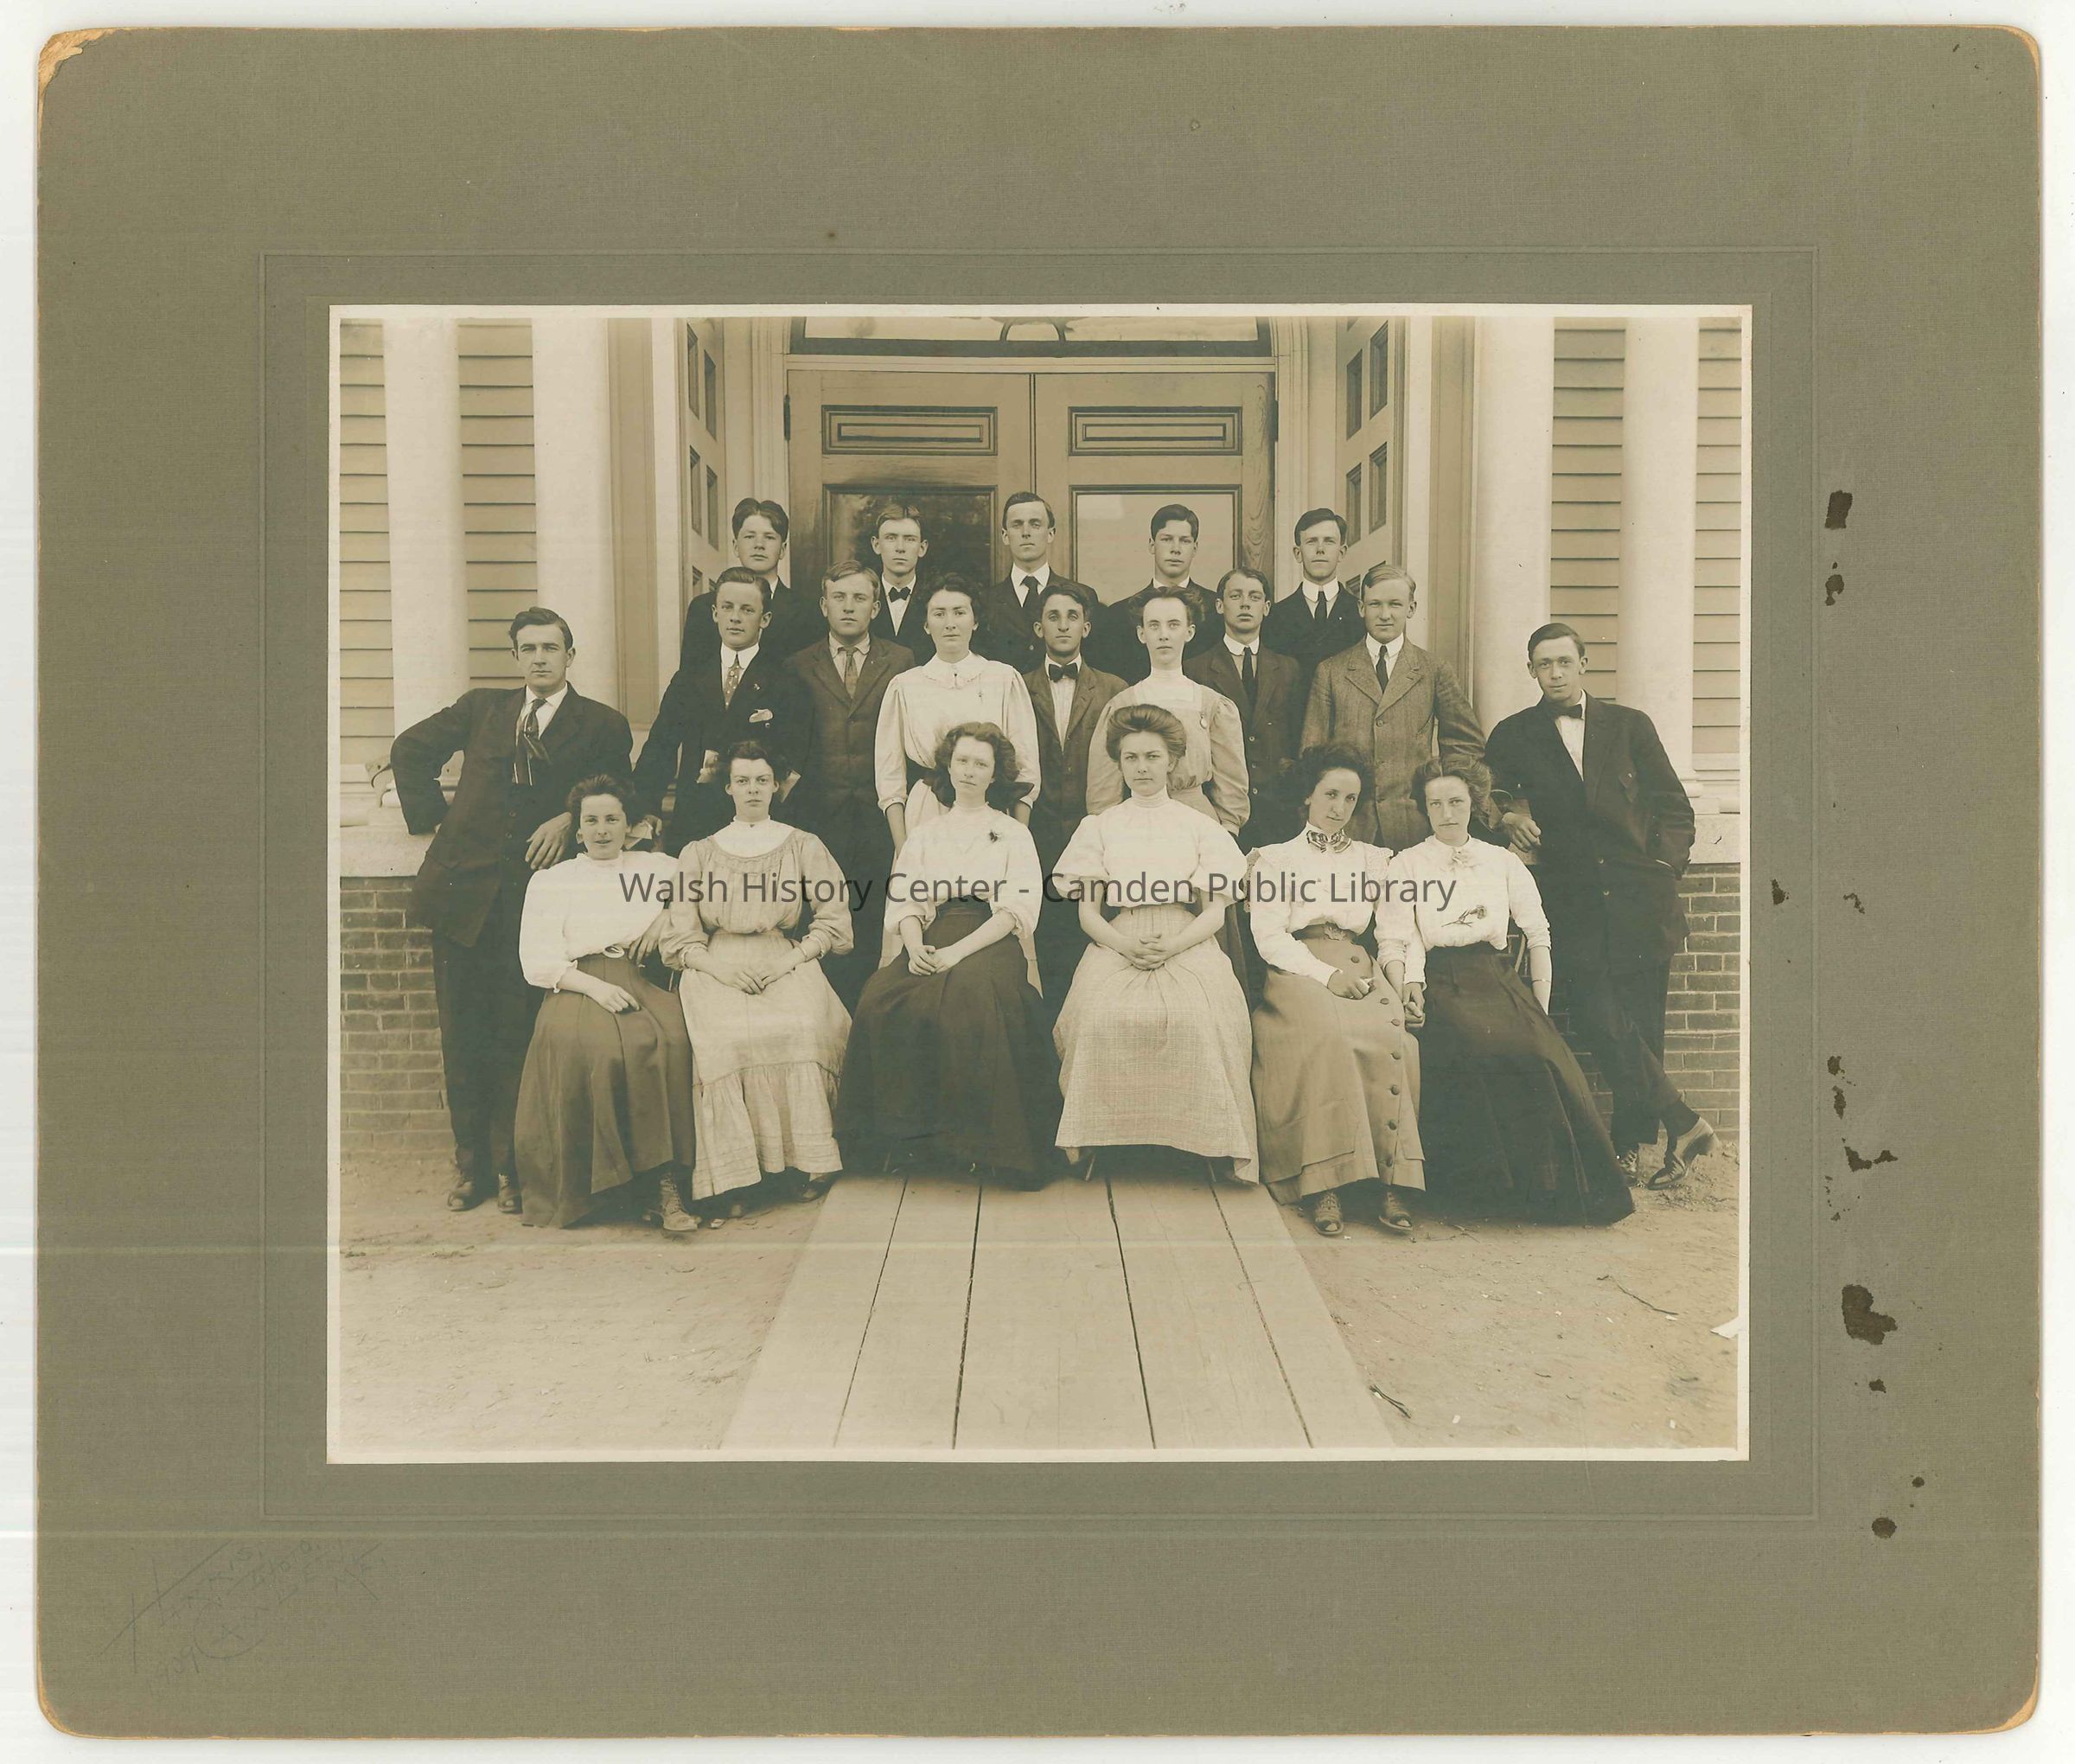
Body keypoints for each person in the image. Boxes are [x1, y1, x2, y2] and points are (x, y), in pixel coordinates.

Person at [391, 607, 633, 1214]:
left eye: (551, 648)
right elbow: (409, 749)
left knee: (514, 1036)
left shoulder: (601, 724)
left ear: (570, 656)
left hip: (531, 904)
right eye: (528, 648)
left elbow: (617, 793)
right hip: (461, 897)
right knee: (462, 1036)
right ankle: (470, 1167)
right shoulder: (483, 709)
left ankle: (510, 1169)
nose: (540, 658)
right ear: (516, 656)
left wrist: (569, 817)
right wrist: (440, 823)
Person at [1484, 621, 1714, 1185]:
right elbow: (1483, 797)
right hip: (1575, 901)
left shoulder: (1631, 726)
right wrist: (1507, 815)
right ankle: (1684, 1122)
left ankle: (1631, 1147)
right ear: (1531, 671)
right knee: (1596, 1016)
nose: (1555, 673)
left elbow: (1674, 807)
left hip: (1641, 897)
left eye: (1564, 661)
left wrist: (1665, 870)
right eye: (1544, 664)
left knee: (1642, 1024)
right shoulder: (1514, 734)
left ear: (1584, 664)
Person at [1391, 758, 1633, 1227]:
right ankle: (1484, 1194)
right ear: (1424, 808)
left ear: (1474, 803)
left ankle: (1546, 1191)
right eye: (1435, 804)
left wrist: (1539, 1006)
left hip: (1497, 977)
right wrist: (1410, 984)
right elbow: (1402, 937)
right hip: (1443, 979)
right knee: (1477, 1047)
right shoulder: (1407, 865)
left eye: (1456, 801)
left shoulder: (1501, 861)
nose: (1446, 813)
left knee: (1540, 1053)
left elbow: (1538, 932)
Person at [836, 724, 1061, 1186]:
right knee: (882, 997)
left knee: (971, 997)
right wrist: (914, 946)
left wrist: (956, 953)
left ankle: (981, 1146)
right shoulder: (925, 833)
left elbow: (1016, 910)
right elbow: (906, 900)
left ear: (995, 774)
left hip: (990, 939)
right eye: (962, 761)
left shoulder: (1012, 833)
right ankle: (906, 1140)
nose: (969, 771)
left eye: (981, 764)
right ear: (948, 766)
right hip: (932, 933)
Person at [1051, 706, 1258, 1183]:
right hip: (1118, 939)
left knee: (1201, 1019)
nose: (1141, 768)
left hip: (1186, 938)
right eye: (1131, 758)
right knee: (1097, 1017)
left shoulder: (1198, 825)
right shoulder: (1100, 827)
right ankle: (1097, 1136)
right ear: (1119, 763)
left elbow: (1213, 912)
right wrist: (1124, 946)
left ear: (1172, 761)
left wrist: (1173, 945)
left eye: (1152, 757)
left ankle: (1210, 1140)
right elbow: (1088, 915)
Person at [659, 742, 853, 1215]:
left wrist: (787, 962)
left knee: (804, 1027)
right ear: (727, 787)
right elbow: (681, 936)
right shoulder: (699, 853)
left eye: (762, 780)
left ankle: (806, 1162)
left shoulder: (803, 845)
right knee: (725, 1040)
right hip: (716, 963)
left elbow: (834, 922)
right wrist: (721, 969)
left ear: (776, 786)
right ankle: (738, 1176)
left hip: (783, 957)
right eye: (742, 781)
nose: (753, 789)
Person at [1247, 746, 1424, 1238]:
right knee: (1329, 1037)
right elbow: (1270, 938)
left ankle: (1390, 1178)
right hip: (1297, 970)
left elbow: (1395, 931)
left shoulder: (1374, 860)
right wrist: (1326, 976)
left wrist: (1406, 981)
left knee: (1395, 1040)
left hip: (1358, 963)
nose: (1339, 807)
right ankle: (1323, 1182)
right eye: (1330, 794)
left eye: (1350, 798)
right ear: (1308, 795)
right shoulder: (1276, 859)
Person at [512, 777, 698, 1231]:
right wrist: (595, 988)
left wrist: (665, 917)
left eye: (612, 819)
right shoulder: (553, 880)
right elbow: (537, 960)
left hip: (640, 978)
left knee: (675, 1039)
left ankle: (665, 1184)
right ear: (577, 830)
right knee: (604, 1048)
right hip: (576, 984)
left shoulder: (655, 869)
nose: (601, 830)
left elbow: (706, 888)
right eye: (591, 821)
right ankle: (615, 1189)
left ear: (628, 826)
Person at [782, 559, 915, 1010]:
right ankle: (828, 1016)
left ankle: (867, 1016)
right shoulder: (798, 665)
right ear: (823, 605)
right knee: (823, 917)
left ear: (875, 608)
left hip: (880, 817)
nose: (848, 606)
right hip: (820, 816)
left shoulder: (901, 660)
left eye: (860, 598)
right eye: (839, 597)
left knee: (873, 917)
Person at [1301, 561, 1485, 850]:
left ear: (1411, 608)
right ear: (1361, 608)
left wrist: (1439, 797)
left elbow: (1465, 744)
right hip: (1349, 823)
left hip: (1414, 823)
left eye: (1395, 604)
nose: (1385, 615)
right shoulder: (1331, 671)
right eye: (1375, 604)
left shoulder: (1434, 669)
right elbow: (1312, 754)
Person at [632, 567, 809, 854]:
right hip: (695, 821)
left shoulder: (786, 681)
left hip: (759, 824)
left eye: (747, 610)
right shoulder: (688, 679)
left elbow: (795, 756)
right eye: (727, 607)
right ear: (715, 613)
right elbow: (660, 747)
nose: (735, 617)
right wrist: (647, 808)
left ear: (765, 619)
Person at [873, 577, 1040, 862]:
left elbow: (1026, 768)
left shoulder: (1003, 678)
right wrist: (904, 850)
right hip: (926, 811)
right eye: (939, 614)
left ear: (975, 621)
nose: (950, 623)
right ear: (926, 624)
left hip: (991, 812)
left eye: (960, 612)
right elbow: (889, 776)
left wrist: (1017, 839)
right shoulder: (905, 685)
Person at [1022, 579, 1124, 1003]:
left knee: (1095, 934)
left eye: (1072, 617)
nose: (1063, 625)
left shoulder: (1114, 689)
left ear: (1086, 627)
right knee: (1044, 936)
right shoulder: (1017, 686)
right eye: (1053, 617)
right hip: (1038, 831)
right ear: (1038, 628)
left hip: (1095, 830)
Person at [1083, 590, 1249, 836]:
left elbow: (1231, 781)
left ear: (1189, 632)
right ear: (1142, 634)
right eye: (1154, 625)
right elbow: (1103, 790)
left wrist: (1227, 831)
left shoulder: (1212, 704)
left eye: (1173, 625)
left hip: (1198, 825)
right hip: (1139, 825)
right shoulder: (1122, 704)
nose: (1164, 635)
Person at [1185, 566, 1304, 849]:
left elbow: (1297, 735)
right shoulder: (1195, 669)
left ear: (1266, 608)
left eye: (1254, 597)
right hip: (1219, 808)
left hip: (1277, 810)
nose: (1245, 604)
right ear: (1219, 606)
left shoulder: (1288, 669)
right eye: (1236, 596)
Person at [680, 499, 822, 669]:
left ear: (783, 549)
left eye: (769, 537)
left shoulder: (808, 612)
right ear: (735, 546)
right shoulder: (703, 608)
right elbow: (689, 675)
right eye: (749, 537)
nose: (759, 545)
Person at [1086, 502, 1220, 681]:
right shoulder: (1119, 615)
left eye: (1184, 541)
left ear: (1195, 548)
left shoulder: (1217, 611)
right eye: (1167, 539)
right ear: (1152, 545)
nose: (1176, 549)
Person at [974, 490, 1095, 674]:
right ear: (1005, 536)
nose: (1026, 533)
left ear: (1050, 534)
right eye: (1017, 525)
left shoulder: (1084, 596)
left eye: (1035, 524)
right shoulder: (985, 600)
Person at [1261, 507, 1365, 705]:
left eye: (1329, 541)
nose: (1320, 549)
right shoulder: (1275, 616)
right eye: (1311, 541)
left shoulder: (1360, 613)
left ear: (1342, 552)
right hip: (1293, 720)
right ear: (1297, 553)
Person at [865, 501, 934, 655]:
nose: (900, 548)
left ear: (922, 548)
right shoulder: (862, 597)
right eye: (891, 538)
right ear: (876, 545)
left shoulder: (935, 598)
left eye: (909, 539)